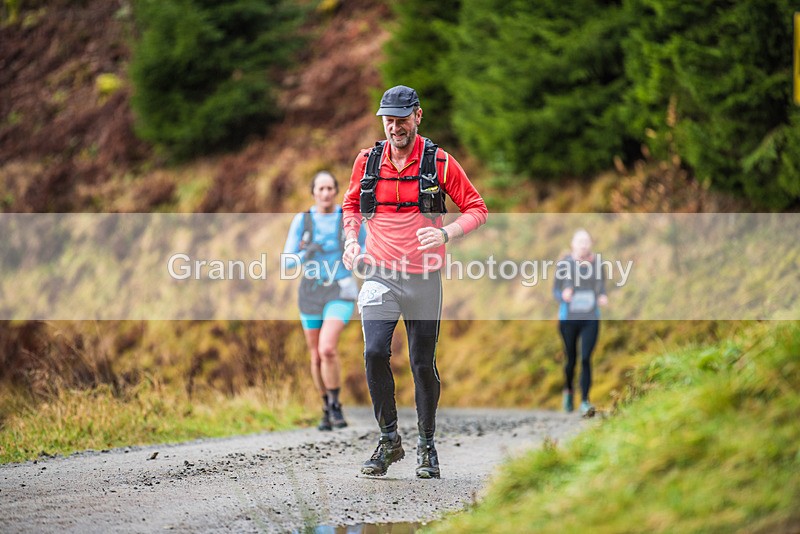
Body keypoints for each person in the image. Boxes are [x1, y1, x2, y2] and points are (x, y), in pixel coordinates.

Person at [341, 85, 488, 479]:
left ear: (418, 116)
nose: (395, 127)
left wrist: (446, 234)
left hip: (423, 278)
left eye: (402, 119)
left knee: (422, 364)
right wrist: (350, 240)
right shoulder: (367, 161)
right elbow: (352, 205)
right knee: (374, 353)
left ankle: (427, 446)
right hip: (379, 274)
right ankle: (390, 440)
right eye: (388, 119)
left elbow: (477, 208)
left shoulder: (439, 162)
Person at [283, 170, 365, 431]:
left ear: (336, 191)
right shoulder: (303, 221)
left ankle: (337, 403)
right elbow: (286, 262)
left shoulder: (347, 218)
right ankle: (326, 407)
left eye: (330, 188)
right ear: (313, 193)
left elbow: (366, 250)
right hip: (310, 291)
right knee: (315, 355)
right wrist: (305, 253)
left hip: (339, 290)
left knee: (327, 348)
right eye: (321, 189)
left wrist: (357, 258)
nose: (326, 193)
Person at [553, 229, 608, 418]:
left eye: (586, 241)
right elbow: (555, 291)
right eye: (580, 241)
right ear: (572, 244)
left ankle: (585, 400)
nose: (583, 245)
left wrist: (602, 296)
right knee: (571, 359)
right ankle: (568, 390)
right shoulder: (564, 264)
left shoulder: (598, 263)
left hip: (590, 318)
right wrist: (563, 296)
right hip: (569, 319)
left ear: (591, 243)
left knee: (585, 358)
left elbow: (602, 286)